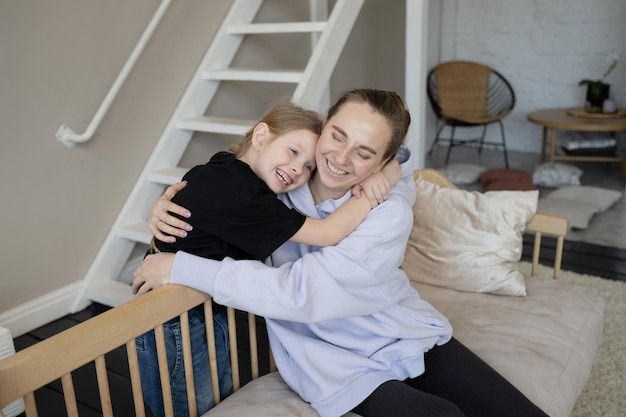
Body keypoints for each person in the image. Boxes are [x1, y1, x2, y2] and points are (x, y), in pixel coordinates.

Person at [133, 89, 549, 417]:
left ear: (380, 163)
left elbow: (303, 289)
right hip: (330, 359)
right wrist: (163, 210)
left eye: (365, 154)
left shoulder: (387, 212)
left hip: (398, 332)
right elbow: (228, 183)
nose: (340, 158)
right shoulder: (278, 185)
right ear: (324, 125)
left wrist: (182, 266)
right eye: (336, 136)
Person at [135, 100, 400, 417]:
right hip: (172, 313)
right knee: (188, 403)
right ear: (261, 136)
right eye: (293, 152)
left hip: (201, 302)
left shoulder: (228, 167)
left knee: (214, 394)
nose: (298, 170)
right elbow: (329, 232)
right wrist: (381, 183)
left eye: (308, 167)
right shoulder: (242, 192)